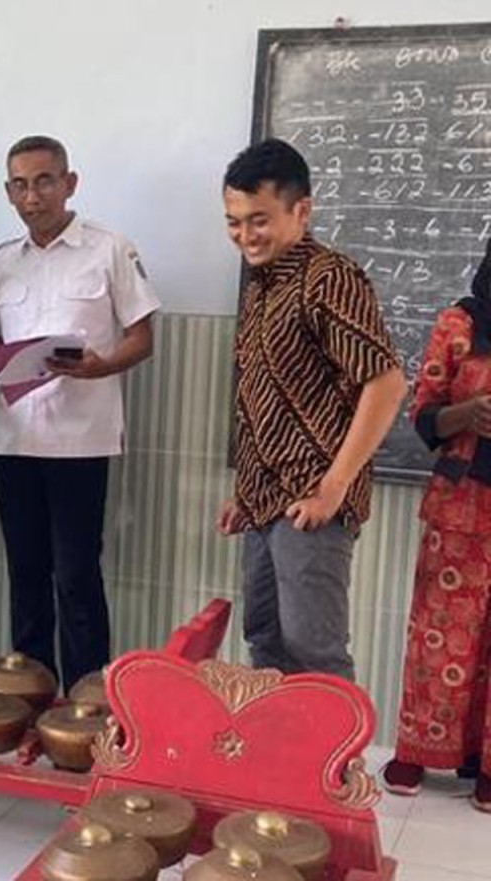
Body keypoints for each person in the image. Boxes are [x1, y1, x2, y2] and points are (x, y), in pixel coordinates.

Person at [0, 135, 158, 690]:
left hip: (82, 443)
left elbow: (142, 337)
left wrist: (100, 367)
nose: (33, 195)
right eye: (21, 185)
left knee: (77, 576)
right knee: (25, 574)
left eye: (45, 181)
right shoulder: (3, 261)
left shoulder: (109, 249)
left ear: (69, 183)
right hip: (12, 444)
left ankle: (85, 700)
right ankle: (27, 693)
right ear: (8, 192)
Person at [216, 138, 406, 680]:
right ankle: (280, 764)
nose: (245, 236)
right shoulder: (261, 281)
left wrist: (333, 487)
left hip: (311, 501)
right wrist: (246, 490)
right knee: (266, 640)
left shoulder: (329, 277)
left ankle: (333, 767)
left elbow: (387, 384)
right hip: (263, 500)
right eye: (233, 221)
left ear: (302, 210)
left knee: (313, 650)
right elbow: (268, 393)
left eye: (259, 220)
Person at [381, 236, 491, 813]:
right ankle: (417, 752)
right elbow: (422, 414)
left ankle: (485, 767)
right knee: (438, 635)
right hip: (460, 504)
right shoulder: (459, 323)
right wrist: (467, 414)